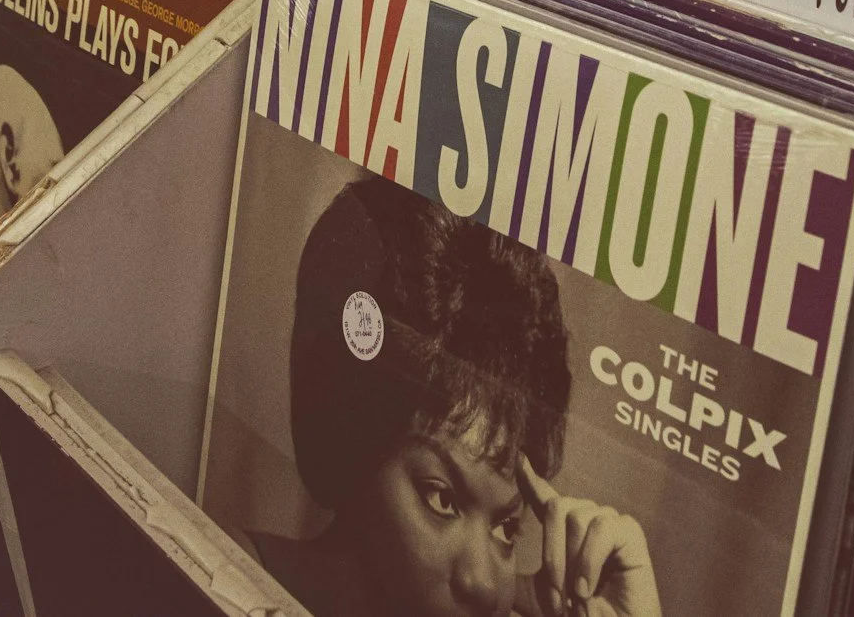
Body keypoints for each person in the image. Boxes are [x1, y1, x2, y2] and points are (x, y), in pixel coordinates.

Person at [244, 177, 659, 617]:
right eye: (441, 499)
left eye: (506, 529)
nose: (483, 585)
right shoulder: (216, 573)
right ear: (349, 447)